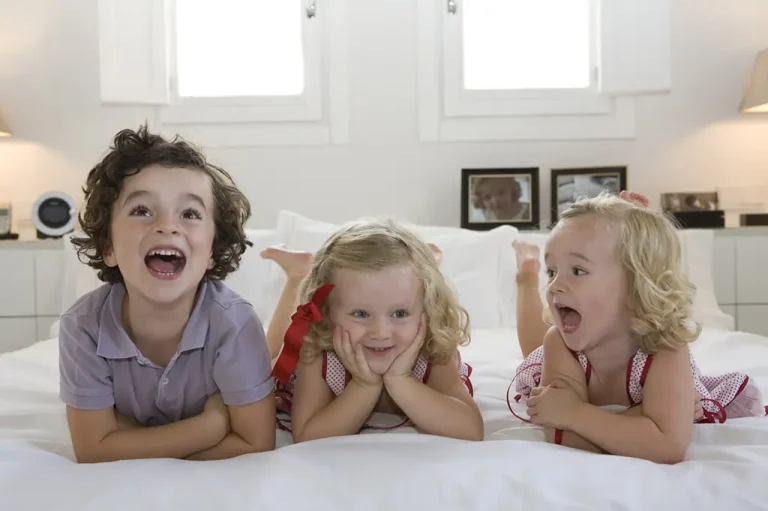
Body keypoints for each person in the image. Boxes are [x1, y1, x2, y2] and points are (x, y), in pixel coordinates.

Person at [59, 125, 276, 463]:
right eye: (142, 210)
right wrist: (211, 426)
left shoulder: (234, 323)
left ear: (212, 252)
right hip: (208, 427)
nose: (167, 226)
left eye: (189, 214)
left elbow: (255, 442)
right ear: (109, 247)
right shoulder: (82, 326)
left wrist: (126, 437)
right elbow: (92, 450)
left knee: (278, 353)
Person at [509, 192, 766, 464]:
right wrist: (643, 421)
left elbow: (668, 447)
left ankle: (527, 275)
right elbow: (561, 435)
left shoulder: (664, 347)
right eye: (551, 272)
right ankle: (526, 276)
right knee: (535, 348)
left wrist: (575, 414)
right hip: (565, 350)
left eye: (578, 271)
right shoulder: (559, 343)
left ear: (636, 286)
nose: (554, 286)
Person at [263, 219, 483, 442]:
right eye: (361, 313)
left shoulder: (430, 345)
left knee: (416, 280)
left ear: (426, 309)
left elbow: (470, 429)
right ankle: (298, 275)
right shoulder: (320, 350)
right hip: (311, 349)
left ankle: (429, 264)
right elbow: (308, 435)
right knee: (267, 362)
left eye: (400, 313)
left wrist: (401, 380)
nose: (381, 333)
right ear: (326, 312)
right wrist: (364, 386)